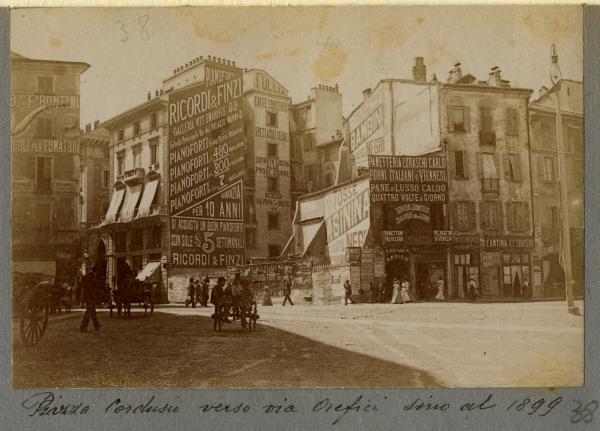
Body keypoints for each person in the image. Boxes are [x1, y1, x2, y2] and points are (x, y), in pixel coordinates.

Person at [79, 267, 101, 332]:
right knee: (89, 312)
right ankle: (83, 327)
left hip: (86, 296)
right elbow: (95, 289)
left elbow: (81, 286)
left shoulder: (86, 277)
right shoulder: (93, 278)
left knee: (92, 311)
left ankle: (96, 325)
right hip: (90, 297)